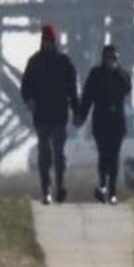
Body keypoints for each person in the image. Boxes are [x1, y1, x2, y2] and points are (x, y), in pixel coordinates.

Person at [19, 24, 79, 205]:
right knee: (44, 155)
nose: (49, 44)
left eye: (51, 41)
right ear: (42, 41)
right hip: (42, 117)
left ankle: (60, 186)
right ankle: (46, 190)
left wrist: (77, 111)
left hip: (60, 115)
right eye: (46, 41)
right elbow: (25, 87)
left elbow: (72, 91)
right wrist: (29, 101)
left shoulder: (65, 62)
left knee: (59, 155)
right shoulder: (34, 62)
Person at [76, 42, 134, 204]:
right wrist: (81, 115)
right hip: (101, 122)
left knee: (114, 157)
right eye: (108, 58)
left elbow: (127, 87)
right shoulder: (95, 74)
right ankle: (102, 185)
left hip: (117, 123)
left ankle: (112, 193)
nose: (110, 61)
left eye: (113, 58)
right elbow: (87, 96)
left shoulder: (122, 75)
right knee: (104, 155)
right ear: (103, 58)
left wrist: (117, 71)